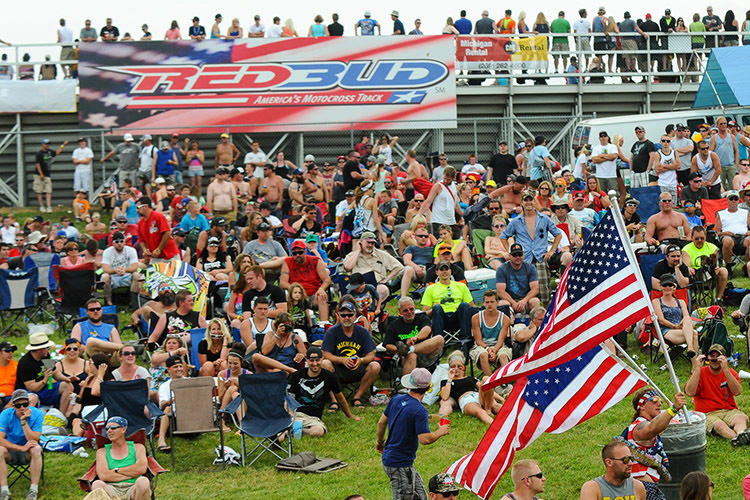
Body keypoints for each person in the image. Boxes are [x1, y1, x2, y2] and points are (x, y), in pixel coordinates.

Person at [376, 367, 450, 500]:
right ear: (428, 388)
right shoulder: (419, 410)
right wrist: (440, 432)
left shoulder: (396, 399)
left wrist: (380, 442)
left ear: (409, 385)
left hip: (396, 460)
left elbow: (381, 423)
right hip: (399, 464)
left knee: (421, 496)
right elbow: (425, 439)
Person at [620, 388, 688, 499]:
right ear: (641, 406)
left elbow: (660, 425)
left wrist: (674, 412)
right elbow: (652, 429)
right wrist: (673, 409)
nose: (660, 404)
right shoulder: (639, 426)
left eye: (660, 401)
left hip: (646, 487)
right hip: (642, 487)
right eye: (654, 400)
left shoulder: (648, 425)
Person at [685, 344, 750, 445]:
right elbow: (689, 392)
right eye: (712, 356)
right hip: (708, 413)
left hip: (729, 411)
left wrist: (725, 369)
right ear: (708, 358)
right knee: (720, 426)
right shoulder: (700, 372)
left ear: (724, 358)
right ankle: (738, 438)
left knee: (741, 418)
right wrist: (697, 368)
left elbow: (737, 392)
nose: (715, 359)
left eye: (718, 356)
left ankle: (742, 434)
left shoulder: (730, 372)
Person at [287, 347, 360, 437]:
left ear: (322, 359)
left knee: (318, 432)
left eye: (317, 360)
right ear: (306, 360)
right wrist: (290, 416)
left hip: (313, 418)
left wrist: (350, 416)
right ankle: (289, 429)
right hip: (296, 414)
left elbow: (340, 398)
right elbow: (289, 399)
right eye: (311, 360)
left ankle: (294, 431)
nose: (315, 364)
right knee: (281, 432)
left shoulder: (329, 377)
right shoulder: (296, 376)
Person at [321, 300, 380, 409]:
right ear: (339, 316)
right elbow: (326, 354)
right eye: (343, 315)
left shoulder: (362, 332)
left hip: (357, 367)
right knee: (325, 363)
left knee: (375, 366)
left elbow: (371, 355)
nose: (346, 317)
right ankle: (335, 400)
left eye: (350, 315)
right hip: (337, 369)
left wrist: (361, 360)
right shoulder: (332, 332)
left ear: (355, 316)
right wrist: (341, 360)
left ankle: (357, 397)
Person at [90, 415, 150, 500]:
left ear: (123, 429)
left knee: (143, 481)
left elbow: (141, 469)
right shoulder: (102, 452)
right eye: (107, 429)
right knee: (97, 484)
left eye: (113, 428)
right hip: (112, 488)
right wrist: (132, 474)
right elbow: (104, 475)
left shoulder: (138, 447)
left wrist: (116, 470)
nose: (109, 431)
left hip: (133, 487)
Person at [15, 332, 73, 417]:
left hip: (43, 388)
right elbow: (31, 387)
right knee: (33, 398)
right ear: (39, 349)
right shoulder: (25, 363)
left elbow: (54, 371)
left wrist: (67, 378)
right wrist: (45, 380)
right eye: (47, 347)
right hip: (28, 392)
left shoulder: (45, 355)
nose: (49, 349)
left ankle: (60, 417)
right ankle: (24, 420)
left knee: (67, 386)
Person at [384, 297, 444, 377]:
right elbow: (387, 345)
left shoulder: (422, 317)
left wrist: (416, 338)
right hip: (407, 358)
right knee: (412, 355)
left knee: (439, 338)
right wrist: (399, 350)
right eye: (405, 310)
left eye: (411, 309)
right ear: (400, 311)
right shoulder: (394, 325)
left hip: (426, 354)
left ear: (415, 308)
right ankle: (408, 387)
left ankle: (410, 350)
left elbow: (427, 329)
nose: (409, 312)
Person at [0, 389, 43, 500]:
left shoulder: (37, 414)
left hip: (29, 452)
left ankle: (33, 490)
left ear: (29, 404)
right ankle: (4, 491)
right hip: (10, 451)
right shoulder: (5, 414)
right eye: (18, 405)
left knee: (36, 449)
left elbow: (35, 439)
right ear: (13, 406)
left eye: (25, 404)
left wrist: (24, 421)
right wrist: (21, 448)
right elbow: (0, 439)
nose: (22, 408)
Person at [438, 351, 499, 425]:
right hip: (466, 400)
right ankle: (495, 426)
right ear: (449, 368)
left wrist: (501, 399)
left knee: (486, 379)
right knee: (480, 411)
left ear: (463, 368)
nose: (456, 369)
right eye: (453, 366)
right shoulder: (446, 382)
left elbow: (485, 387)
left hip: (477, 395)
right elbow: (444, 397)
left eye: (459, 366)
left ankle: (491, 411)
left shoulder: (470, 378)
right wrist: (450, 379)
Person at [580, 440, 646, 500]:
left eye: (631, 458)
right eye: (625, 460)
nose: (631, 463)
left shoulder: (637, 487)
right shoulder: (592, 488)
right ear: (609, 462)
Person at [652, 274, 698, 356]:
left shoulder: (681, 302)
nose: (667, 287)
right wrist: (675, 326)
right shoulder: (656, 301)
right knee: (694, 333)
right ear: (661, 287)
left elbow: (686, 317)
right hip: (667, 330)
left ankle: (691, 352)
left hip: (682, 328)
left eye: (670, 285)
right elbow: (661, 320)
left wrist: (682, 326)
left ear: (674, 287)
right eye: (664, 285)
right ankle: (693, 355)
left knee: (687, 319)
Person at [471, 290, 513, 377]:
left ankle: (505, 382)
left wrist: (494, 351)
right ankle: (491, 383)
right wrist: (488, 349)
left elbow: (501, 341)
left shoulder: (505, 319)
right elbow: (478, 340)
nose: (489, 304)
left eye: (492, 302)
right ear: (483, 303)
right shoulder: (476, 318)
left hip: (499, 345)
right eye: (487, 302)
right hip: (482, 346)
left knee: (503, 356)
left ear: (497, 302)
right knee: (483, 354)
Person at [682, 226, 728, 304]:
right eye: (697, 238)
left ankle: (718, 299)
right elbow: (687, 267)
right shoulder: (686, 249)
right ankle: (690, 301)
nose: (699, 240)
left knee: (723, 271)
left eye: (702, 238)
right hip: (695, 277)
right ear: (692, 237)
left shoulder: (712, 248)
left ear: (705, 237)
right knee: (686, 273)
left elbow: (715, 264)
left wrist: (716, 268)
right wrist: (689, 268)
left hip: (711, 276)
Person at [101, 232, 141, 307]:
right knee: (105, 276)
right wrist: (115, 271)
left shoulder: (131, 250)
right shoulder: (107, 252)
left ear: (125, 242)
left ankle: (133, 301)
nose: (119, 243)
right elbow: (105, 269)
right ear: (113, 243)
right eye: (117, 242)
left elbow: (135, 267)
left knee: (137, 275)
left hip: (127, 275)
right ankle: (108, 302)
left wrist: (125, 270)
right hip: (113, 277)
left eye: (121, 241)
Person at [714, 190, 750, 272]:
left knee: (749, 240)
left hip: (743, 237)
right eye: (731, 199)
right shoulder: (721, 214)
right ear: (727, 200)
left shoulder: (745, 213)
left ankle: (747, 267)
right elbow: (716, 232)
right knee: (727, 240)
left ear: (738, 200)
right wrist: (724, 233)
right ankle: (728, 267)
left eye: (735, 199)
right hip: (728, 236)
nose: (733, 201)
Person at [136, 196, 179, 263]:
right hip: (155, 257)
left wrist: (159, 249)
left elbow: (167, 233)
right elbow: (141, 240)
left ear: (145, 206)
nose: (137, 210)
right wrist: (145, 250)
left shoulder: (158, 216)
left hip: (170, 255)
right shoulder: (140, 223)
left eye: (138, 207)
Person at [35, 138, 67, 213]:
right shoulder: (39, 154)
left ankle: (48, 206)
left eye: (48, 144)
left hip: (47, 174)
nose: (47, 145)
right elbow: (38, 164)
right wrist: (41, 174)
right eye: (46, 144)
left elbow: (56, 153)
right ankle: (41, 206)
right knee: (39, 190)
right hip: (39, 174)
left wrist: (63, 145)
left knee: (48, 190)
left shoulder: (50, 151)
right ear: (42, 144)